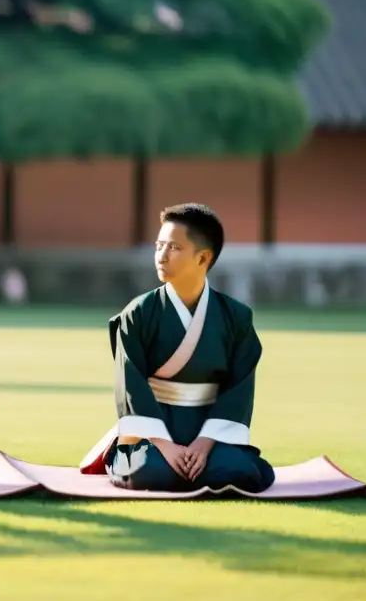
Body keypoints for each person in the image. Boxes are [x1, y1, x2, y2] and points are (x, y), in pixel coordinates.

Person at [79, 203, 275, 493]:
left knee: (238, 469)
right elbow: (130, 384)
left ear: (203, 257)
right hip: (153, 435)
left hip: (207, 429)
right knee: (150, 469)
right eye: (159, 245)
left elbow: (239, 389)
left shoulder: (236, 317)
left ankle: (200, 460)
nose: (161, 255)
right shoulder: (139, 313)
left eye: (174, 247)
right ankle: (159, 459)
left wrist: (205, 443)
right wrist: (165, 445)